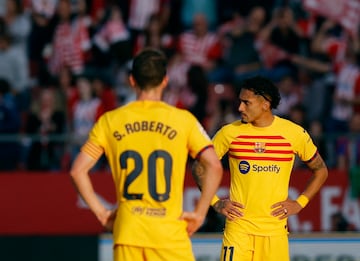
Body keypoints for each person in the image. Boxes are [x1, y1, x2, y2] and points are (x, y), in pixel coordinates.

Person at [70, 49, 223, 261]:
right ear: (165, 81)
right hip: (169, 233)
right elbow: (214, 166)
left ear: (132, 81)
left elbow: (77, 171)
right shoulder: (183, 120)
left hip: (129, 232)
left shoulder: (110, 121)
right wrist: (200, 213)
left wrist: (102, 212)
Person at [192, 76, 328, 261]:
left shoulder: (293, 133)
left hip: (275, 233)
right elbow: (199, 167)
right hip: (238, 230)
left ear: (265, 103)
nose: (240, 108)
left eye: (246, 103)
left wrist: (300, 203)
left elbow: (321, 171)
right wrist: (215, 202)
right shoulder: (229, 133)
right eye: (240, 102)